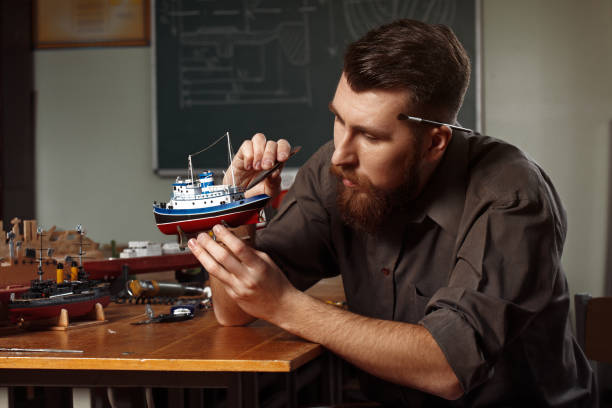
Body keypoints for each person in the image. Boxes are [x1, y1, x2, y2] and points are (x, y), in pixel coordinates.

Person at [188, 19, 595, 406]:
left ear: (435, 142)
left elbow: (447, 368)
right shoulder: (338, 170)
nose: (341, 155)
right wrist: (238, 213)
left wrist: (286, 306)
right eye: (338, 120)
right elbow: (234, 310)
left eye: (370, 135)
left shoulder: (511, 197)